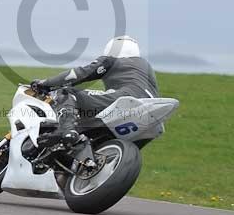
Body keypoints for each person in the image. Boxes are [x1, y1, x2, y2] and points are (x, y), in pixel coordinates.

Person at [30, 35, 158, 147]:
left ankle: (66, 129)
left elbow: (78, 74)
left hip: (128, 99)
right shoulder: (146, 67)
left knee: (67, 93)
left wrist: (44, 84)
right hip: (151, 114)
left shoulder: (111, 60)